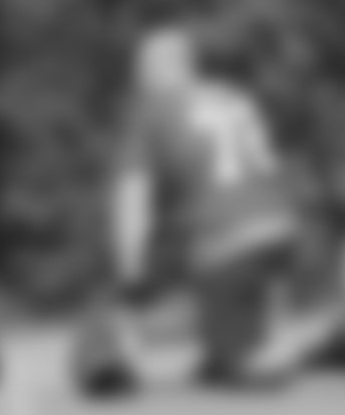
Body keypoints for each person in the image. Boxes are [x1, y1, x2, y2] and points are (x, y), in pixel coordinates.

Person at [109, 24, 302, 389]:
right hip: (282, 237)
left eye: (142, 68)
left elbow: (132, 201)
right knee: (208, 249)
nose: (138, 78)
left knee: (237, 367)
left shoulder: (151, 108)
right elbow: (267, 174)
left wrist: (130, 278)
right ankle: (259, 335)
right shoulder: (233, 97)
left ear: (157, 68)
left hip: (228, 248)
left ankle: (242, 351)